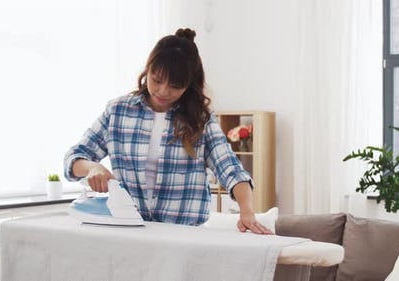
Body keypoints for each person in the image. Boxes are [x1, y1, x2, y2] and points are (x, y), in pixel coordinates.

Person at [64, 28, 272, 234]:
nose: (163, 91)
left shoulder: (201, 120)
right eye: (156, 80)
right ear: (148, 70)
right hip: (130, 232)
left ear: (189, 84)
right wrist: (94, 168)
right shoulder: (118, 111)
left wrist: (247, 211)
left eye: (175, 85)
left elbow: (230, 169)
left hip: (185, 235)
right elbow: (73, 158)